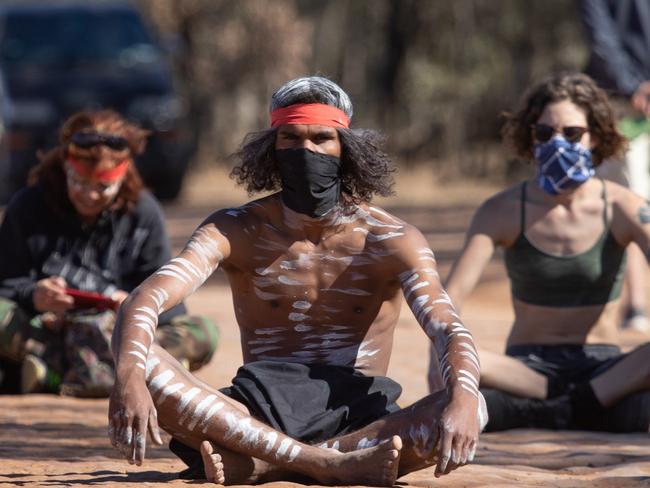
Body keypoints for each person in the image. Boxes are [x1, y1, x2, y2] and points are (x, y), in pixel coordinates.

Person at [108, 76, 487, 486]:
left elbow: (447, 326)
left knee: (474, 403)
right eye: (290, 137)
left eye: (322, 138)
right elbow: (142, 301)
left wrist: (463, 398)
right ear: (271, 150)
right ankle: (322, 465)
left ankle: (269, 463)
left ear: (347, 150)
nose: (305, 150)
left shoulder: (391, 240)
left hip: (357, 421)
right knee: (138, 357)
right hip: (255, 411)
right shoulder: (236, 229)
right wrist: (128, 375)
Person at [427, 72, 650, 432]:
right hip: (526, 370)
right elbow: (448, 305)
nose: (558, 143)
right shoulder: (501, 210)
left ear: (596, 136)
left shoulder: (624, 208)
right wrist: (442, 363)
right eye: (545, 133)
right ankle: (581, 409)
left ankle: (554, 410)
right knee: (454, 357)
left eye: (572, 133)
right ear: (531, 137)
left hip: (603, 368)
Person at [0, 110, 218, 397]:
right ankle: (144, 374)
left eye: (103, 186)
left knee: (205, 333)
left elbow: (171, 298)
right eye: (79, 182)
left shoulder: (144, 212)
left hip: (119, 338)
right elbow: (6, 283)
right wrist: (35, 295)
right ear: (66, 167)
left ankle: (54, 375)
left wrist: (134, 305)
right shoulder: (28, 205)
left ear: (124, 174)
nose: (89, 195)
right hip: (48, 332)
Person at [580, 0, 650, 330]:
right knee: (631, 201)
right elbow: (601, 37)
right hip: (625, 107)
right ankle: (635, 304)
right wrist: (634, 84)